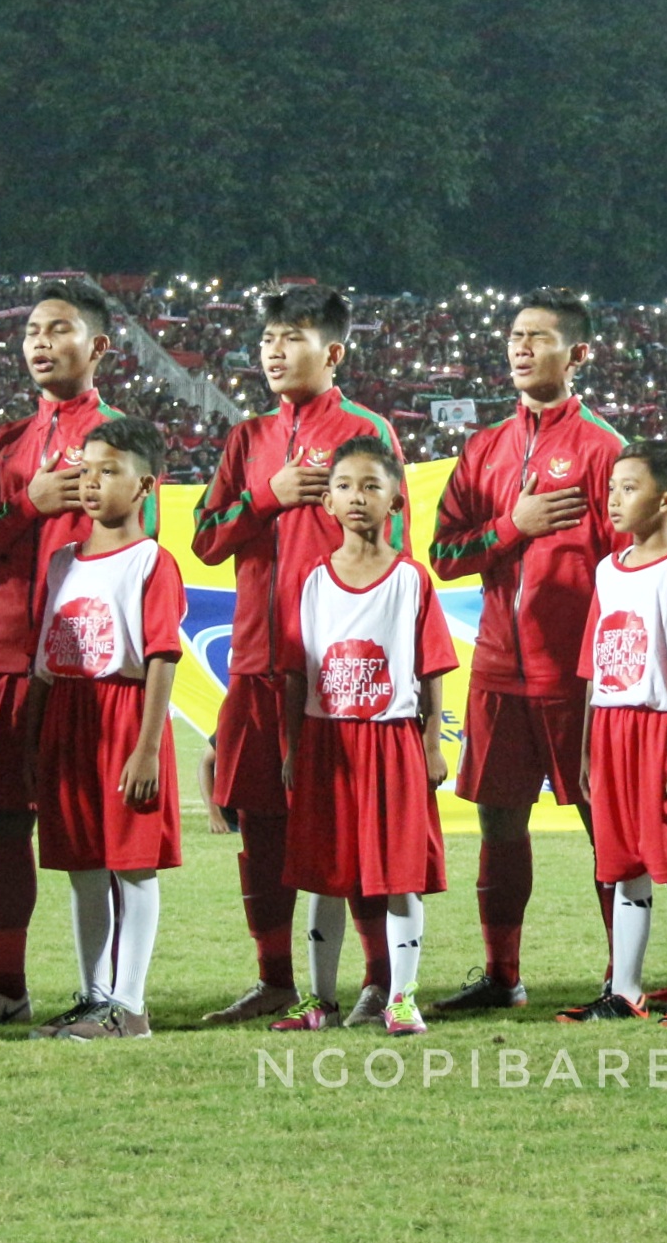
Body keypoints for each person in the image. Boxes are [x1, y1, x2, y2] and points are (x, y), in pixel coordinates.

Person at [194, 284, 404, 1027]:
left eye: (293, 337)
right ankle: (276, 979)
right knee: (260, 824)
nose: (275, 351)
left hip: (337, 673)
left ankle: (380, 980)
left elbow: (393, 551)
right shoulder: (247, 438)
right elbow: (206, 539)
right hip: (255, 663)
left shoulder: (364, 430)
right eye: (268, 339)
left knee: (353, 828)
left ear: (334, 350)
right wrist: (267, 496)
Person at [0, 278, 134, 1031]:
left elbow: (138, 549)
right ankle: (5, 983)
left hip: (93, 663)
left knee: (94, 828)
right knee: (5, 822)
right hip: (13, 659)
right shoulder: (4, 443)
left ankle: (108, 992)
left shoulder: (122, 437)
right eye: (32, 333)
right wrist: (28, 502)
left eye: (59, 329)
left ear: (99, 345)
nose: (41, 343)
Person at [428, 288, 626, 1012]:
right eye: (514, 335)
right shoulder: (484, 448)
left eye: (537, 338)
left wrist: (612, 670)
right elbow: (445, 554)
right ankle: (501, 974)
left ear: (576, 354)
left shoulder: (604, 449)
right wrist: (512, 525)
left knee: (601, 819)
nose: (519, 347)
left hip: (576, 676)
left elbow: (627, 570)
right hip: (497, 669)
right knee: (497, 819)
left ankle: (620, 974)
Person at [268, 438, 456, 1037]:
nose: (357, 497)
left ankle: (402, 998)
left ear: (396, 499)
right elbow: (297, 673)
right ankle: (319, 1000)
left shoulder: (411, 580)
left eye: (371, 485)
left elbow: (430, 667)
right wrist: (294, 746)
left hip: (392, 740)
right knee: (323, 874)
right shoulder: (310, 580)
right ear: (326, 501)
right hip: (328, 745)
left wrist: (430, 743)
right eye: (345, 485)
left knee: (400, 873)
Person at [25, 418, 185, 1040]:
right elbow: (43, 662)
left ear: (144, 483)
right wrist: (35, 741)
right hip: (70, 715)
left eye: (109, 470)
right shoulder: (63, 561)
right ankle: (96, 999)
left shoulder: (151, 561)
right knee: (83, 865)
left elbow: (161, 657)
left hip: (125, 718)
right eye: (85, 469)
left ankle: (132, 1005)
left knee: (133, 865)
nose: (92, 482)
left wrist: (147, 748)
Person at [558, 442, 667, 1028]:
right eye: (612, 488)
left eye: (629, 488)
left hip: (663, 731)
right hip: (611, 730)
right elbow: (593, 667)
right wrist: (585, 748)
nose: (614, 499)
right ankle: (624, 990)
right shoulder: (608, 569)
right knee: (622, 866)